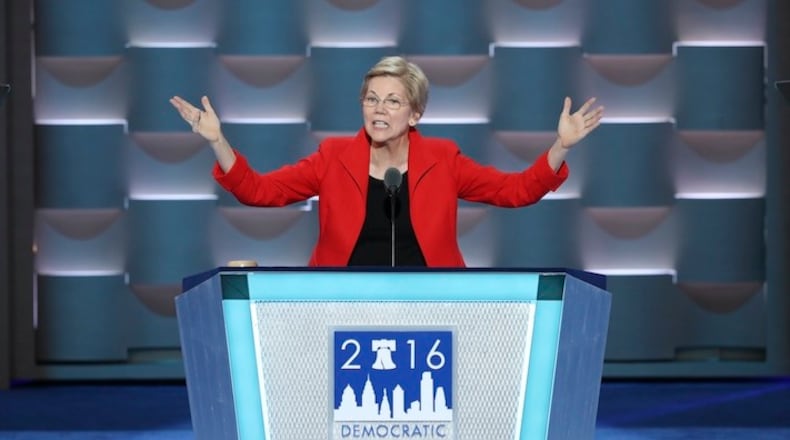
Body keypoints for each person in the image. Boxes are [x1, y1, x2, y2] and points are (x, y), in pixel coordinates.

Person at [169, 56, 603, 267]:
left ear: (415, 114)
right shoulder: (333, 157)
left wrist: (560, 146)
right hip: (342, 303)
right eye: (371, 99)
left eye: (393, 101)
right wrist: (217, 140)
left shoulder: (443, 158)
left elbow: (515, 192)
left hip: (430, 303)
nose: (379, 109)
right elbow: (259, 192)